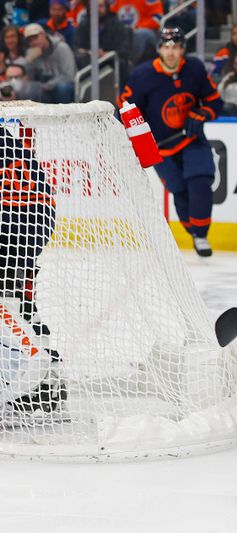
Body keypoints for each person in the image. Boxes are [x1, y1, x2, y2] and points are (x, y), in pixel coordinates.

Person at [117, 27, 223, 257]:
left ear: (183, 49)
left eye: (175, 47)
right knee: (180, 190)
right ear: (159, 50)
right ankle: (195, 233)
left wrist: (202, 114)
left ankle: (201, 234)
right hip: (159, 148)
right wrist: (132, 139)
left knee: (200, 180)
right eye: (166, 47)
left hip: (191, 139)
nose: (171, 52)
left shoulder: (194, 68)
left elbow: (215, 103)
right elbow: (124, 110)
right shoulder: (142, 76)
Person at [0, 122, 65, 418]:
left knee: (11, 305)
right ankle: (46, 376)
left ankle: (33, 379)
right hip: (36, 220)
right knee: (19, 301)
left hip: (14, 222)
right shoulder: (10, 139)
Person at [23, 22, 75, 103]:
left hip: (64, 85)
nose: (33, 42)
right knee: (28, 91)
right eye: (30, 40)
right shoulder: (32, 53)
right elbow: (31, 79)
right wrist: (29, 62)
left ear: (43, 34)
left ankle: (63, 114)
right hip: (44, 88)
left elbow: (68, 76)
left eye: (35, 37)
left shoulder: (61, 47)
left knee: (62, 87)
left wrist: (48, 85)